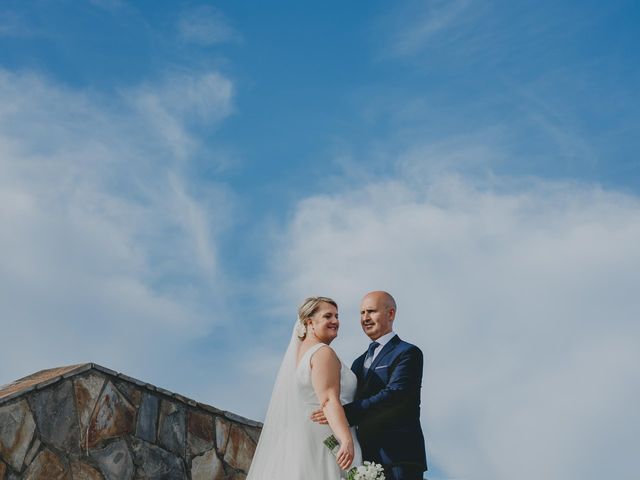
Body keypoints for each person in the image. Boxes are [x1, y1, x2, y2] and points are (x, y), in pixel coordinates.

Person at [312, 291, 427, 480]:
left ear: (390, 314)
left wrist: (342, 413)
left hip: (398, 457)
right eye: (362, 313)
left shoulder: (408, 353)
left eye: (371, 311)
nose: (365, 318)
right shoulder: (358, 362)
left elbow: (395, 395)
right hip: (364, 459)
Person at [247, 296, 362, 479]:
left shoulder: (300, 356)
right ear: (310, 322)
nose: (335, 321)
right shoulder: (323, 353)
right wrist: (346, 439)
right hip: (329, 437)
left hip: (307, 435)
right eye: (328, 316)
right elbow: (328, 400)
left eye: (337, 316)